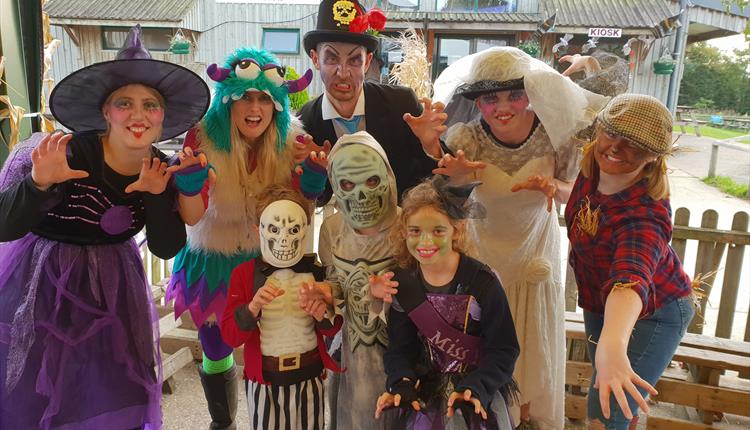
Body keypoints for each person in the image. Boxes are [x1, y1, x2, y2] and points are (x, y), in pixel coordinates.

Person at [0, 25, 210, 429]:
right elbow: (5, 223)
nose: (138, 114)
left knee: (114, 399)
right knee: (37, 400)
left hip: (113, 298)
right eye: (124, 103)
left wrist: (153, 194)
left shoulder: (160, 170)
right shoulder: (65, 152)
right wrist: (38, 183)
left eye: (150, 104)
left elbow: (167, 247)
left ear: (163, 116)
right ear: (105, 112)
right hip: (41, 290)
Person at [409, 47, 621, 429]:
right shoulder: (464, 138)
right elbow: (447, 212)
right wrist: (443, 167)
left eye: (513, 95)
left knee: (531, 356)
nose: (502, 107)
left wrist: (553, 186)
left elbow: (581, 194)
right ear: (478, 101)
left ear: (531, 96)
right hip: (481, 264)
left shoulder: (557, 138)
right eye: (490, 98)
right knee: (483, 359)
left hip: (532, 258)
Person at [164, 46, 326, 429]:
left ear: (277, 106)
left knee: (264, 342)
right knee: (217, 346)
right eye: (245, 97)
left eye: (264, 99)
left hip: (266, 263)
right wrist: (190, 185)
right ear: (228, 102)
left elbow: (300, 213)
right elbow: (192, 216)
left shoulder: (294, 143)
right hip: (213, 258)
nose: (255, 108)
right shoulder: (201, 139)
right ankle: (223, 423)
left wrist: (312, 186)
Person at [560, 94, 693, 429]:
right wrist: (550, 188)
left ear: (653, 156)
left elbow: (628, 280)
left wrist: (614, 341)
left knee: (605, 411)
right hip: (598, 304)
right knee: (615, 397)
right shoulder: (592, 169)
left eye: (634, 144)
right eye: (611, 133)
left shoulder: (645, 217)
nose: (616, 147)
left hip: (654, 314)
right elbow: (589, 202)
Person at [371, 177, 520, 430]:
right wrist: (402, 381)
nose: (425, 242)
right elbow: (399, 349)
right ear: (404, 230)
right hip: (424, 395)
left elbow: (503, 350)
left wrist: (476, 387)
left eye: (438, 231)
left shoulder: (483, 283)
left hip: (472, 394)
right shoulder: (403, 283)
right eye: (415, 231)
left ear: (456, 231)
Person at [220, 184, 342, 430]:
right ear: (259, 230)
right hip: (265, 382)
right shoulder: (244, 275)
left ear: (305, 230)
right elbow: (230, 336)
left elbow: (334, 332)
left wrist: (323, 315)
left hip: (310, 378)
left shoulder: (316, 272)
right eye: (275, 229)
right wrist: (252, 307)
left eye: (294, 229)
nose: (284, 238)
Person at [298, 0, 436, 203]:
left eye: (354, 60)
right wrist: (315, 171)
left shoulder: (402, 105)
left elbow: (433, 179)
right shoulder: (307, 122)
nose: (343, 73)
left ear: (368, 61)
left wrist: (431, 146)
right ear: (315, 59)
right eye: (331, 58)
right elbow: (320, 198)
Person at [316, 130, 401, 429]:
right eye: (349, 185)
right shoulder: (332, 229)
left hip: (400, 354)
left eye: (372, 181)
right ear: (336, 188)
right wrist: (326, 296)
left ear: (387, 178)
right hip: (353, 358)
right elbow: (336, 284)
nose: (361, 195)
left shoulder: (406, 227)